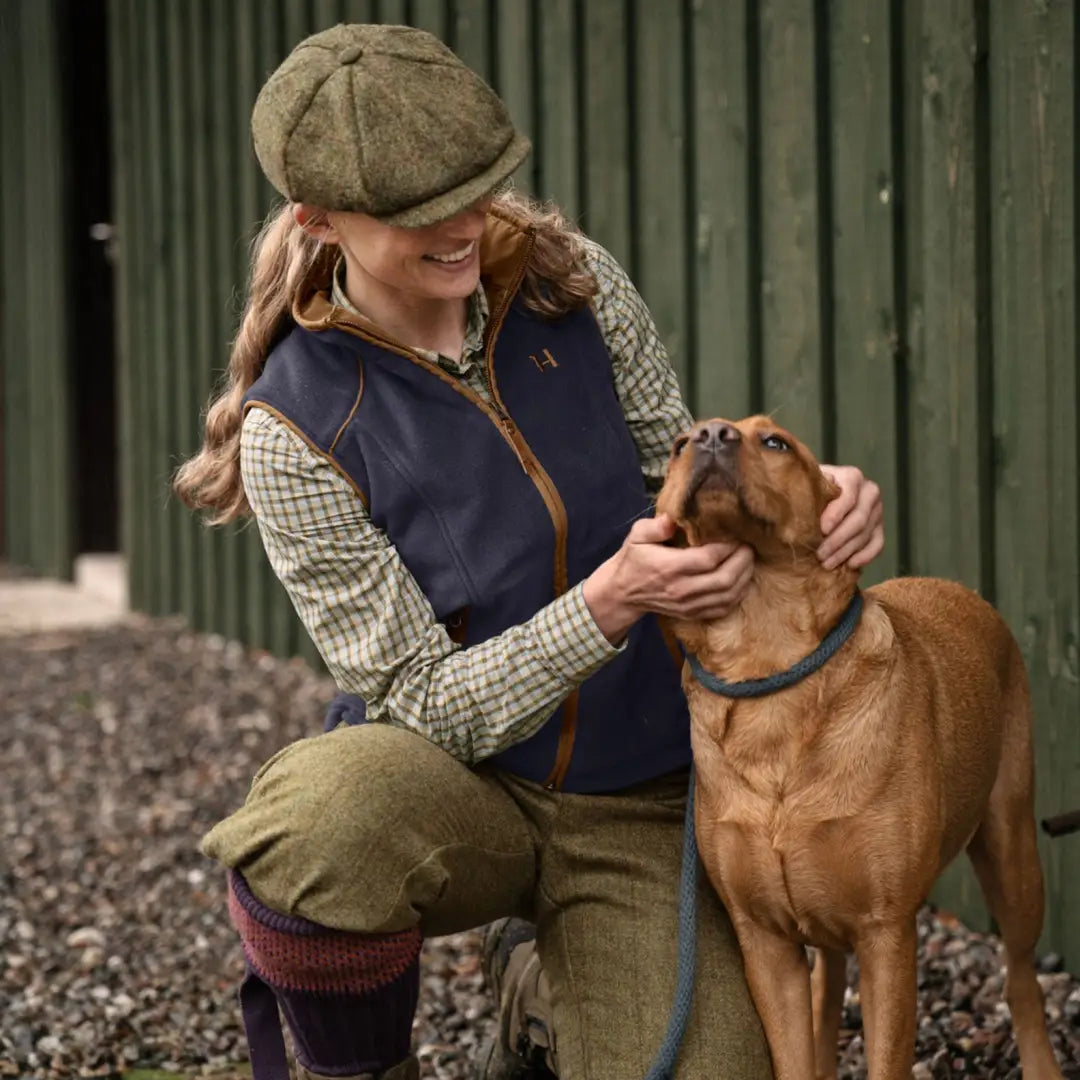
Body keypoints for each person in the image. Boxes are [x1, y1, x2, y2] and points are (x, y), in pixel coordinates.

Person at [176, 23, 884, 1080]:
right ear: (317, 219)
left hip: (645, 788)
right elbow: (423, 695)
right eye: (421, 214)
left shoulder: (573, 282)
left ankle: (541, 986)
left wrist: (818, 503)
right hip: (459, 784)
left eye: (480, 187)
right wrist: (603, 606)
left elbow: (675, 484)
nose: (465, 227)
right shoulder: (293, 427)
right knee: (315, 828)